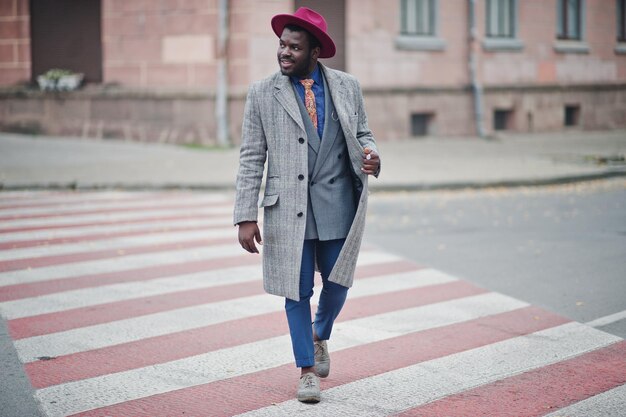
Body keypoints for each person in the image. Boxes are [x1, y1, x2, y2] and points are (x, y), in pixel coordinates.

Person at [233, 6, 380, 404]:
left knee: (338, 281)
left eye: (294, 47)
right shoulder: (262, 93)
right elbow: (251, 157)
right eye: (282, 45)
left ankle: (320, 334)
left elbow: (363, 131)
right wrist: (245, 215)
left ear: (315, 52)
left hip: (337, 203)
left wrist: (372, 154)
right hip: (287, 209)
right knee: (295, 291)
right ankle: (306, 370)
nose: (284, 52)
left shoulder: (347, 86)